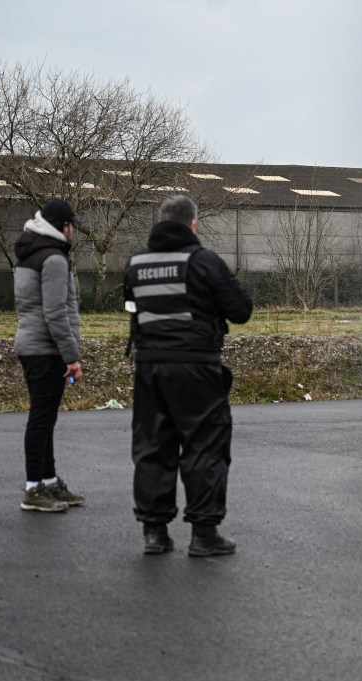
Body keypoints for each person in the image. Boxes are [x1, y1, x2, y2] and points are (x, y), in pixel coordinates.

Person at [124, 195, 252, 557]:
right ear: (193, 224)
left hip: (149, 367)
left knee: (152, 446)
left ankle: (154, 532)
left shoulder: (135, 264)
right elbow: (240, 311)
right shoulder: (203, 261)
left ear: (161, 221)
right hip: (195, 366)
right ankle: (204, 533)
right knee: (205, 445)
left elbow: (131, 306)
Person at [13, 198, 85, 512]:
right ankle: (33, 489)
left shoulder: (30, 254)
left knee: (46, 417)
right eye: (72, 226)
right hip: (45, 349)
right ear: (64, 226)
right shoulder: (53, 259)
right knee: (42, 419)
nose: (73, 233)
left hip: (32, 345)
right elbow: (56, 313)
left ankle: (50, 481)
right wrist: (71, 357)